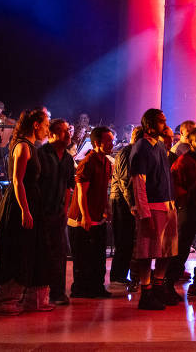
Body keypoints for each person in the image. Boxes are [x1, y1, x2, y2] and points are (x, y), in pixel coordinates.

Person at [0, 108, 52, 315]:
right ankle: (5, 300)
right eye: (46, 125)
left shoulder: (30, 146)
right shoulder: (23, 146)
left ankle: (30, 299)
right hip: (20, 203)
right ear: (35, 125)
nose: (47, 129)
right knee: (17, 249)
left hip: (30, 201)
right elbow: (17, 180)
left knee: (31, 248)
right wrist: (25, 210)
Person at [129, 108, 179, 310]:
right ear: (149, 125)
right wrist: (144, 213)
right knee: (147, 251)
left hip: (167, 204)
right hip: (152, 206)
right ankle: (146, 291)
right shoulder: (141, 147)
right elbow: (138, 183)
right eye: (161, 121)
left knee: (167, 250)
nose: (165, 125)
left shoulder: (159, 145)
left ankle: (158, 286)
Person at [67, 126, 114, 298]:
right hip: (82, 218)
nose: (112, 144)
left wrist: (107, 208)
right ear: (97, 143)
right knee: (83, 257)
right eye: (108, 141)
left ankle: (97, 287)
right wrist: (85, 216)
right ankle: (80, 289)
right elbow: (81, 193)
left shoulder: (106, 162)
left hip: (97, 215)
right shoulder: (88, 162)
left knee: (98, 256)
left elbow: (103, 188)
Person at [167, 127, 196, 298]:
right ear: (191, 142)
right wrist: (190, 198)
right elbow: (176, 185)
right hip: (188, 209)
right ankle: (168, 284)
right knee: (182, 248)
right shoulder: (183, 161)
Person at [38, 118, 75, 305]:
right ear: (51, 134)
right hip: (41, 211)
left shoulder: (68, 158)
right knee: (41, 253)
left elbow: (69, 186)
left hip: (58, 213)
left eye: (68, 130)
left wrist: (64, 210)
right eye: (63, 131)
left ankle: (57, 293)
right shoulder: (41, 154)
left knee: (59, 254)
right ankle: (38, 294)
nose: (68, 134)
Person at [108, 125, 140, 288]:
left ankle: (120, 275)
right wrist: (132, 204)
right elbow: (125, 181)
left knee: (127, 240)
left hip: (125, 200)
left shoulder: (132, 152)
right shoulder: (126, 152)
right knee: (123, 239)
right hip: (121, 201)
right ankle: (117, 276)